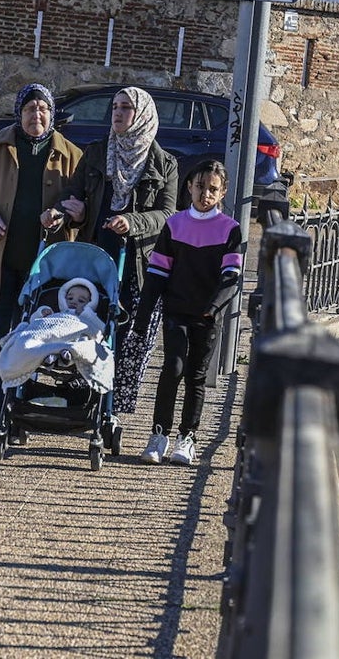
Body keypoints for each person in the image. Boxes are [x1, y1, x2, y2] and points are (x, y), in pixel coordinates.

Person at [40, 86, 178, 415]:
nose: (117, 113)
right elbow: (74, 196)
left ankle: (111, 407)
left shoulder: (164, 163)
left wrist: (133, 221)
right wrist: (61, 213)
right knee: (89, 327)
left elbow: (168, 215)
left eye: (126, 107)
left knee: (129, 338)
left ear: (142, 114)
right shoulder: (97, 152)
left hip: (139, 264)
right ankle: (83, 400)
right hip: (97, 256)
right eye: (115, 106)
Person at [0, 83, 82, 429]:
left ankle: (23, 404)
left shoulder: (72, 155)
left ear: (52, 114)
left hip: (44, 267)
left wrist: (65, 214)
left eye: (43, 108)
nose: (36, 115)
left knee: (34, 338)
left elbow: (79, 202)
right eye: (30, 109)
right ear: (19, 113)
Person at [133, 159, 243, 466]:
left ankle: (187, 437)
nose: (205, 194)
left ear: (222, 193)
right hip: (176, 310)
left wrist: (212, 308)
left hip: (207, 315)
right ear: (189, 187)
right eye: (199, 187)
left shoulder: (230, 230)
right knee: (173, 368)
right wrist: (142, 318)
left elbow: (232, 276)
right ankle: (159, 434)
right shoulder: (175, 224)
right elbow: (157, 272)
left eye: (212, 189)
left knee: (195, 376)